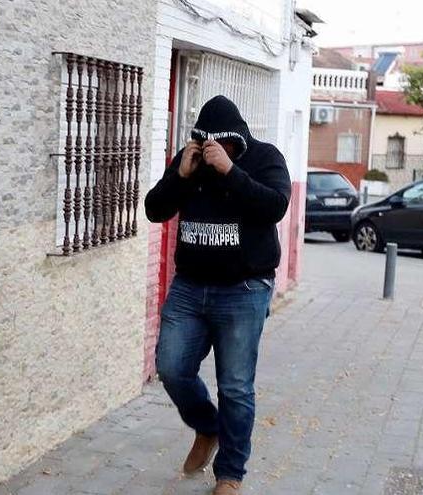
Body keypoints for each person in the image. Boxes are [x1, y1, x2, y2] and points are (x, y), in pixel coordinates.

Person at [145, 95, 291, 495]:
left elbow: (275, 206)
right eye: (207, 144)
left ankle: (230, 474)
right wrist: (181, 175)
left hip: (244, 290)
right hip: (191, 287)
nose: (213, 151)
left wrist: (230, 172)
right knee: (172, 367)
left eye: (222, 145)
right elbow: (154, 210)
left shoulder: (264, 158)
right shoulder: (190, 161)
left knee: (236, 386)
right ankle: (208, 427)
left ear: (236, 141)